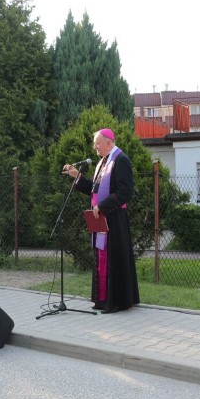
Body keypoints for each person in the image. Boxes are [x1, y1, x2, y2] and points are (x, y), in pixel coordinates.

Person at [63, 128, 140, 314]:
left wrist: (103, 207)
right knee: (101, 259)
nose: (94, 146)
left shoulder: (121, 160)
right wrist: (77, 177)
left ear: (109, 142)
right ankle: (103, 300)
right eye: (95, 143)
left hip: (114, 219)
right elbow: (94, 189)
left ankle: (116, 302)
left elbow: (125, 191)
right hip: (102, 218)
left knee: (113, 259)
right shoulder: (102, 163)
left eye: (97, 143)